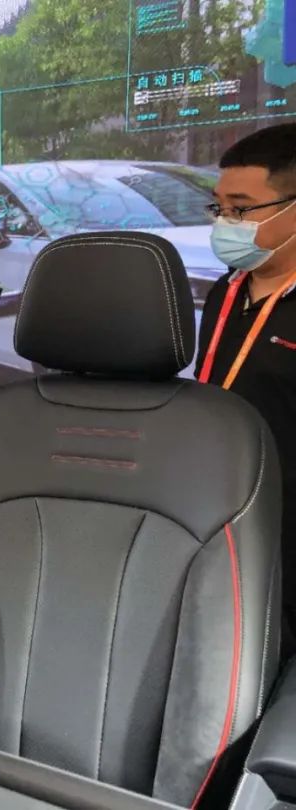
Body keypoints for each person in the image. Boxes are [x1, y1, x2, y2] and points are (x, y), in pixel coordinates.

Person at [196, 123, 296, 656]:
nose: (225, 223)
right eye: (220, 209)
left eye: (241, 209)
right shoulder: (225, 291)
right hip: (218, 516)